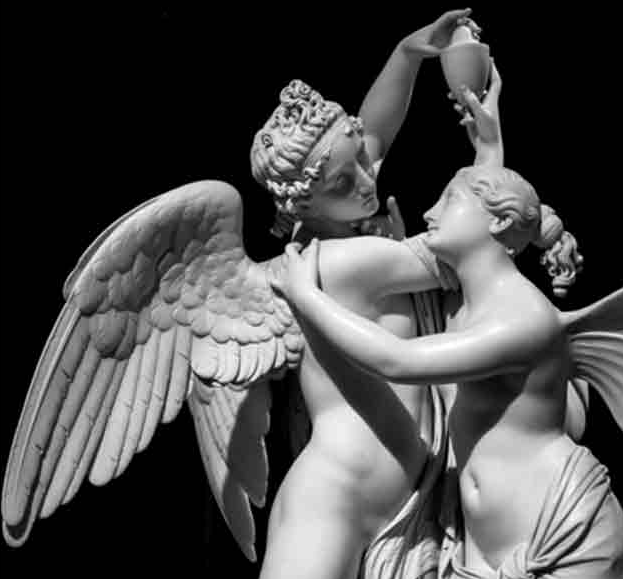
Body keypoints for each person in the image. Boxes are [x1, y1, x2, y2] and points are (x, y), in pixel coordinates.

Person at [271, 165, 623, 577]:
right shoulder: (458, 309)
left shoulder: (523, 318)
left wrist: (306, 295)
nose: (430, 212)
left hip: (561, 533)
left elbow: (397, 360)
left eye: (449, 200)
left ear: (499, 221)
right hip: (479, 548)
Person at [248, 9, 482, 579]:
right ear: (303, 204)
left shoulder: (342, 220)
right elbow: (473, 248)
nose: (366, 178)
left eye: (359, 157)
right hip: (335, 499)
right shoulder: (336, 262)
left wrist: (407, 53)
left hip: (394, 495)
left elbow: (375, 128)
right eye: (343, 180)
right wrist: (489, 146)